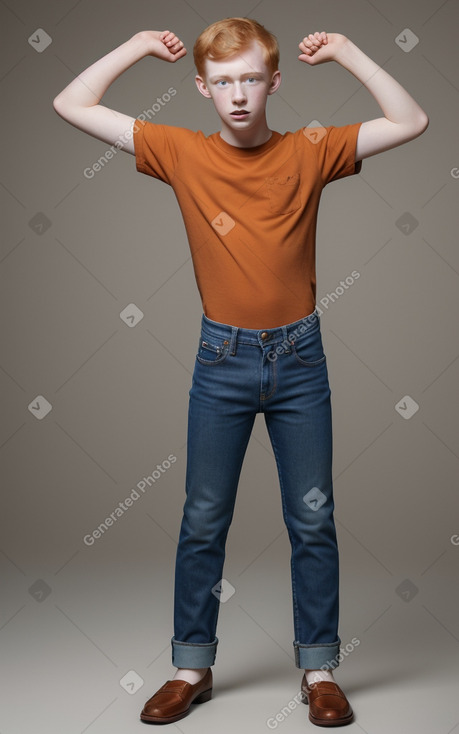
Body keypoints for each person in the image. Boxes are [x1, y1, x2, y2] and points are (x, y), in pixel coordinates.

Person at [53, 17, 428, 727]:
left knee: (312, 519)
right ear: (200, 88)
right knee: (202, 519)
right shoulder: (180, 151)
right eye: (222, 82)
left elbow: (410, 119)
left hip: (299, 360)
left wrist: (347, 51)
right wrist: (135, 47)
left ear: (273, 82)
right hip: (220, 360)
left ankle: (318, 670)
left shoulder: (311, 151)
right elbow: (70, 104)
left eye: (250, 78)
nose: (236, 95)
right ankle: (191, 668)